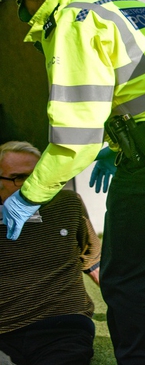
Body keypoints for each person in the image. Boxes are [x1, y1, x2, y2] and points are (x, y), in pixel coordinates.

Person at [1, 0, 145, 365]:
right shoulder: (129, 6)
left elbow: (74, 136)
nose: (29, 21)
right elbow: (143, 84)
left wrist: (29, 196)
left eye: (28, 9)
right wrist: (115, 145)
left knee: (125, 281)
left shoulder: (73, 21)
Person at [0, 141, 100, 365]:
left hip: (62, 324)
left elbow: (93, 261)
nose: (30, 186)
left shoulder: (68, 203)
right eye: (19, 178)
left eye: (36, 176)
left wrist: (128, 313)